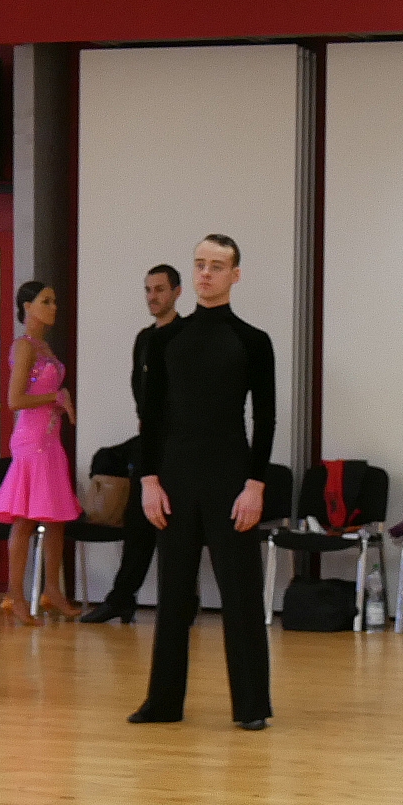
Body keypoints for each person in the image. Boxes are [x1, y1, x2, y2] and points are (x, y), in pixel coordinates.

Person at [131, 233, 276, 730]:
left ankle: (251, 706)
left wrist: (255, 485)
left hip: (231, 480)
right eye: (200, 264)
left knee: (240, 592)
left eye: (217, 265)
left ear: (235, 275)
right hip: (174, 480)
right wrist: (149, 480)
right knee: (173, 592)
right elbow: (150, 418)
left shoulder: (253, 341)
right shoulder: (164, 340)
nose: (207, 273)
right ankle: (163, 702)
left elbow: (266, 419)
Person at [81, 263, 185, 624]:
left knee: (178, 526)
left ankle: (182, 602)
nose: (152, 297)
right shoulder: (144, 338)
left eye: (160, 289)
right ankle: (121, 598)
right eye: (148, 290)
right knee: (139, 522)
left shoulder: (186, 335)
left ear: (176, 292)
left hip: (181, 444)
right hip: (150, 441)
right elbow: (138, 387)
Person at [0, 280, 83, 621]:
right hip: (32, 441)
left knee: (56, 519)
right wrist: (56, 397)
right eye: (46, 301)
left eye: (54, 300)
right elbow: (14, 400)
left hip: (50, 439)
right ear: (27, 306)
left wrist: (59, 402)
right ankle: (15, 595)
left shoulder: (45, 347)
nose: (54, 307)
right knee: (26, 518)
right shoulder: (24, 346)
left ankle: (52, 590)